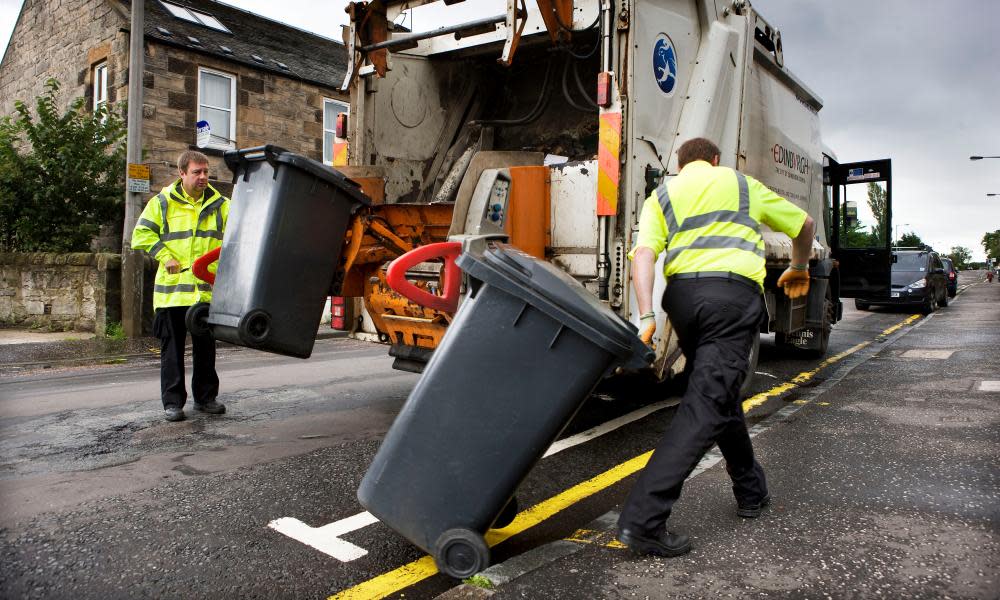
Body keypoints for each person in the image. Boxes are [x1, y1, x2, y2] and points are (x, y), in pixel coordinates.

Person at [616, 137, 816, 557]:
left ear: (680, 164)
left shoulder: (662, 194)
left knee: (718, 392)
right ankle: (643, 519)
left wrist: (646, 317)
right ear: (715, 160)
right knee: (708, 399)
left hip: (684, 302)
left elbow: (644, 255)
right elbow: (805, 226)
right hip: (731, 298)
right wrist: (798, 267)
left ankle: (751, 490)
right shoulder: (740, 184)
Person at [131, 151, 230, 422]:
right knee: (172, 352)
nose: (203, 177)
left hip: (204, 292)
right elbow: (140, 235)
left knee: (206, 350)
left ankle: (206, 398)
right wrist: (165, 255)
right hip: (172, 293)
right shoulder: (162, 203)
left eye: (206, 172)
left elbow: (238, 235)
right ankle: (173, 403)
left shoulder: (221, 204)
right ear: (182, 173)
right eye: (197, 172)